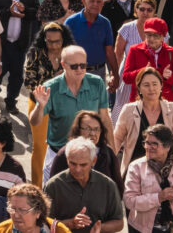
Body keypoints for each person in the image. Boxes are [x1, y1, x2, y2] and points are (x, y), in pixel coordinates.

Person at [29, 45, 113, 182]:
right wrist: (40, 107)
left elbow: (105, 118)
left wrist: (112, 152)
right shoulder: (50, 88)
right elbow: (34, 121)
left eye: (83, 65)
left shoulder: (97, 83)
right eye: (74, 66)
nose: (79, 70)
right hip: (58, 155)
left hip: (89, 156)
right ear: (63, 65)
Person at [23, 22, 74, 186]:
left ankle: (57, 185)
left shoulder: (70, 54)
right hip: (40, 104)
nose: (53, 45)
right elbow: (29, 82)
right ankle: (38, 187)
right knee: (40, 146)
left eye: (57, 41)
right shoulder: (35, 54)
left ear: (63, 39)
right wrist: (54, 79)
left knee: (63, 146)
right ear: (43, 39)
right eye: (49, 41)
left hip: (65, 104)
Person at [115, 66, 173, 168]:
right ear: (139, 88)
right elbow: (116, 139)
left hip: (165, 171)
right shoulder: (128, 110)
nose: (151, 89)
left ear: (161, 86)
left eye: (155, 84)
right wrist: (107, 165)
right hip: (134, 171)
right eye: (146, 85)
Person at [43, 137, 125, 233]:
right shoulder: (53, 186)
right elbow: (44, 223)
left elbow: (119, 223)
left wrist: (100, 228)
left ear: (93, 161)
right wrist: (70, 223)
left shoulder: (108, 185)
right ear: (67, 159)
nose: (77, 169)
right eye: (73, 163)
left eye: (83, 165)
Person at [123, 124, 173, 233]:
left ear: (167, 147)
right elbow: (129, 201)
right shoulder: (136, 167)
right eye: (147, 143)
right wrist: (158, 198)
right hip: (144, 228)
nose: (148, 147)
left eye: (154, 144)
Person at [48, 111, 124, 195]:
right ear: (78, 130)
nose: (92, 133)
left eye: (96, 129)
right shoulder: (65, 153)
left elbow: (118, 187)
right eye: (88, 128)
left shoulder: (108, 154)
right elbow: (53, 187)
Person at [122, 17, 173, 103]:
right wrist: (142, 71)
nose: (152, 39)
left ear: (163, 37)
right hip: (141, 101)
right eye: (149, 35)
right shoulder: (134, 50)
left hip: (165, 102)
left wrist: (170, 76)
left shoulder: (171, 52)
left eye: (156, 35)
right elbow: (126, 78)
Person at [63, 0, 118, 82]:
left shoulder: (105, 23)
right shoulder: (71, 22)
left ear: (102, 4)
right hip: (76, 72)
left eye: (98, 2)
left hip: (99, 73)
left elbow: (109, 51)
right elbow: (63, 50)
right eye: (92, 1)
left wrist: (115, 75)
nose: (95, 4)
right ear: (84, 1)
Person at [0, 182, 71, 233]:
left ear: (38, 211)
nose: (16, 215)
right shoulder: (1, 230)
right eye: (12, 209)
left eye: (22, 210)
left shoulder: (59, 230)